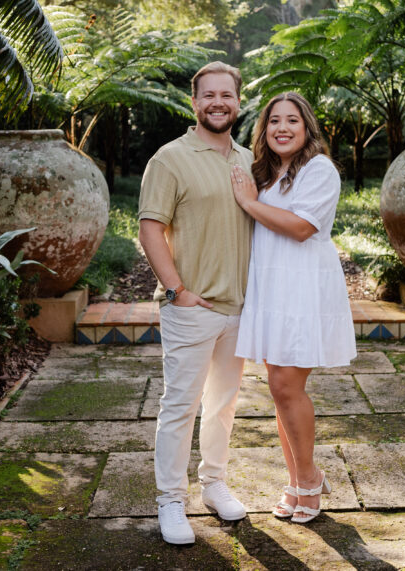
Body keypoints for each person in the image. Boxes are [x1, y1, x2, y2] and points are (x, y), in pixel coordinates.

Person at [138, 61, 253, 545]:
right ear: (195, 103)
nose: (218, 102)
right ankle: (170, 500)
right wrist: (177, 291)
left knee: (223, 404)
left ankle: (214, 485)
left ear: (238, 102)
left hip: (240, 309)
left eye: (226, 94)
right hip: (192, 309)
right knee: (180, 407)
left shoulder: (250, 160)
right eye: (208, 95)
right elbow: (149, 228)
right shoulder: (169, 158)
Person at [229, 91, 356, 524]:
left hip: (302, 288)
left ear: (307, 129)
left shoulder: (319, 169)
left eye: (292, 121)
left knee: (286, 387)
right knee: (279, 389)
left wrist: (249, 203)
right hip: (270, 286)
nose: (282, 128)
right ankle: (299, 480)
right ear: (264, 129)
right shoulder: (263, 173)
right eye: (274, 121)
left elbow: (302, 228)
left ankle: (308, 479)